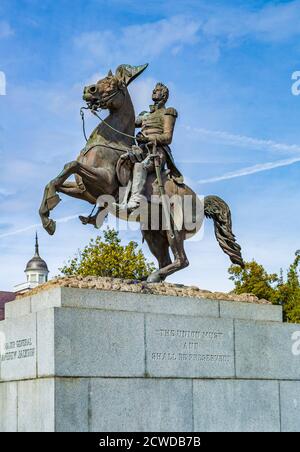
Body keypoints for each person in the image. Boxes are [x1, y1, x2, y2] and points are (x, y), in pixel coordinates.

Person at [116, 82, 182, 212]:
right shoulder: (145, 114)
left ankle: (136, 200)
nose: (153, 91)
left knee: (141, 166)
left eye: (157, 90)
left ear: (164, 95)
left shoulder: (168, 112)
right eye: (153, 89)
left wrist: (148, 138)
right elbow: (128, 121)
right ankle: (117, 198)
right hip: (141, 149)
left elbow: (167, 138)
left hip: (157, 151)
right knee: (122, 159)